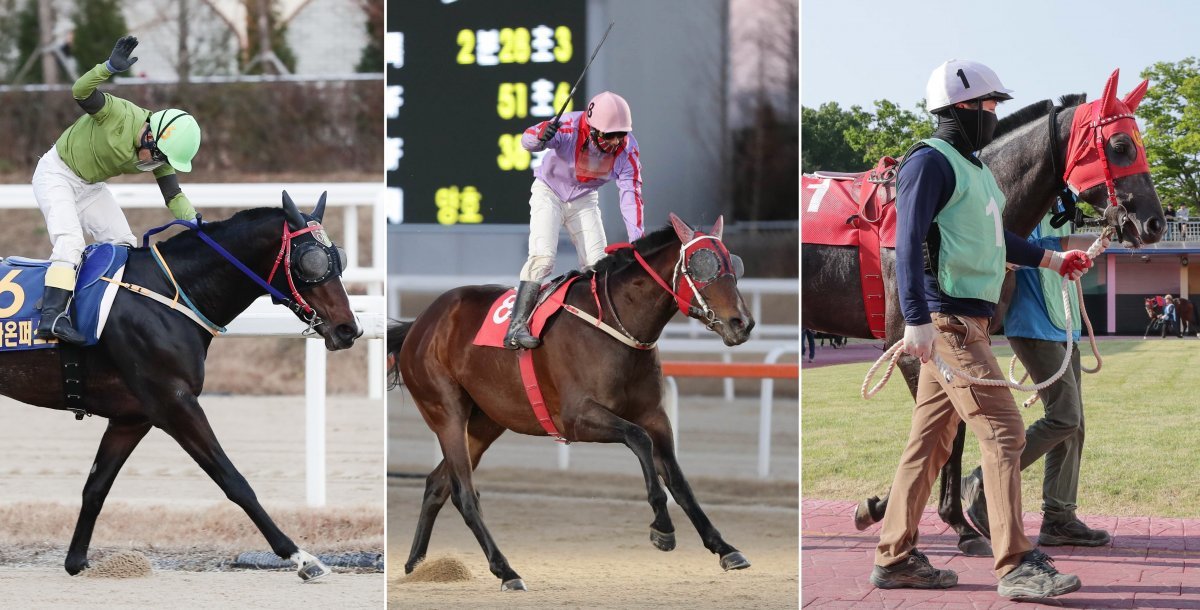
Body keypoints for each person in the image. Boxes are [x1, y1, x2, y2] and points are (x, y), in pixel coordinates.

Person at [870, 59, 1087, 600]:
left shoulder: (976, 170)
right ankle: (1015, 564)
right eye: (991, 104)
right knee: (1006, 433)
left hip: (965, 322)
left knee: (929, 445)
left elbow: (997, 239)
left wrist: (1053, 260)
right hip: (948, 324)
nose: (996, 113)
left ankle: (894, 557)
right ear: (961, 106)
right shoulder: (929, 161)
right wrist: (917, 319)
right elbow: (908, 239)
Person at [958, 214, 1112, 554]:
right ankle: (982, 481)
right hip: (1031, 325)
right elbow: (1011, 250)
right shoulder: (1030, 190)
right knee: (1064, 417)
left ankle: (1059, 517)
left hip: (1062, 324)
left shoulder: (1064, 200)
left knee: (1074, 426)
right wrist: (1073, 245)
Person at [33, 35, 201, 344]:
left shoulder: (158, 152)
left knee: (122, 242)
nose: (159, 164)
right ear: (150, 135)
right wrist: (108, 68)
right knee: (70, 241)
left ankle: (102, 309)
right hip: (55, 174)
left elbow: (174, 197)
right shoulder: (117, 113)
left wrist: (196, 222)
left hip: (89, 187)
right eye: (161, 156)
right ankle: (52, 317)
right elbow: (79, 91)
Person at [503, 91, 644, 349]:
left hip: (584, 199)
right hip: (549, 192)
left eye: (620, 134)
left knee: (599, 265)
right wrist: (540, 135)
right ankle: (516, 326)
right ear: (590, 129)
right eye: (608, 135)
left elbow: (630, 195)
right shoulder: (567, 126)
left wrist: (638, 241)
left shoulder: (628, 150)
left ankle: (600, 327)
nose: (615, 142)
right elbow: (527, 141)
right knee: (543, 258)